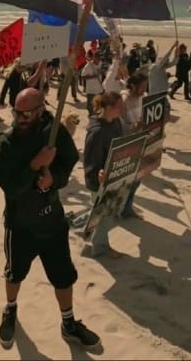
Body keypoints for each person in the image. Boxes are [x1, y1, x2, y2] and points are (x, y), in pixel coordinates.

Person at [0, 88, 99, 350]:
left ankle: (69, 322)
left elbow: (69, 159)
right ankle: (11, 310)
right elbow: (11, 186)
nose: (20, 117)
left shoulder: (53, 132)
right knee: (15, 272)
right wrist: (35, 165)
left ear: (40, 110)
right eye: (17, 111)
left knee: (63, 276)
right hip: (20, 223)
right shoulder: (4, 145)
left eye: (27, 112)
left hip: (52, 220)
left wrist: (54, 178)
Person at [81, 91, 127, 258]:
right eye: (119, 106)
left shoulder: (117, 122)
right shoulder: (96, 133)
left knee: (102, 212)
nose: (123, 108)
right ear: (108, 107)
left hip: (115, 176)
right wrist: (97, 177)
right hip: (99, 182)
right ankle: (100, 248)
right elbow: (89, 162)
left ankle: (80, 228)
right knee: (102, 214)